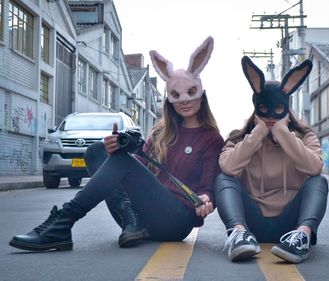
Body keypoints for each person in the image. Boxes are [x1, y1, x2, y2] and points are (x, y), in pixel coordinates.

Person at [9, 36, 224, 252]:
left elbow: (208, 187)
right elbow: (141, 166)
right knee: (96, 151)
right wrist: (116, 150)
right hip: (145, 213)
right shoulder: (161, 131)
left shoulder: (211, 138)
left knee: (121, 161)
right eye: (176, 95)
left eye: (191, 93)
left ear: (201, 94)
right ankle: (132, 222)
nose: (185, 100)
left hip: (176, 221)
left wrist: (206, 199)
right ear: (169, 99)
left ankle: (63, 222)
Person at [214, 56, 329, 263]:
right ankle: (238, 235)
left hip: (290, 224)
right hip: (252, 222)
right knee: (223, 179)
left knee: (318, 181)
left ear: (286, 108)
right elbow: (228, 168)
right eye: (265, 110)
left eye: (277, 111)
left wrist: (283, 133)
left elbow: (315, 168)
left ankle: (302, 237)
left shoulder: (305, 135)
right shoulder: (239, 137)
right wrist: (257, 133)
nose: (271, 117)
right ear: (256, 108)